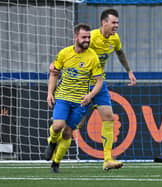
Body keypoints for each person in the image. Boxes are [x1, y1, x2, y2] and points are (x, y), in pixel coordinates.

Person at [49, 8, 136, 171]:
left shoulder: (114, 39)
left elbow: (120, 53)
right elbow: (73, 50)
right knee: (69, 129)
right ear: (104, 23)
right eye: (114, 22)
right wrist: (55, 65)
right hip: (80, 85)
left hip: (98, 84)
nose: (117, 26)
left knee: (109, 117)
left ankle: (108, 159)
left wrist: (129, 71)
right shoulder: (92, 37)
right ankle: (55, 156)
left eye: (118, 22)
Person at [44, 23, 104, 173]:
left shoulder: (92, 57)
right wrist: (50, 93)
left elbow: (99, 81)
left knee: (67, 133)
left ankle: (56, 163)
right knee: (57, 126)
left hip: (80, 101)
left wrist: (90, 96)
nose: (87, 40)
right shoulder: (64, 53)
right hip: (63, 96)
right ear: (76, 37)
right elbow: (54, 73)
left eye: (89, 37)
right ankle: (52, 142)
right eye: (84, 37)